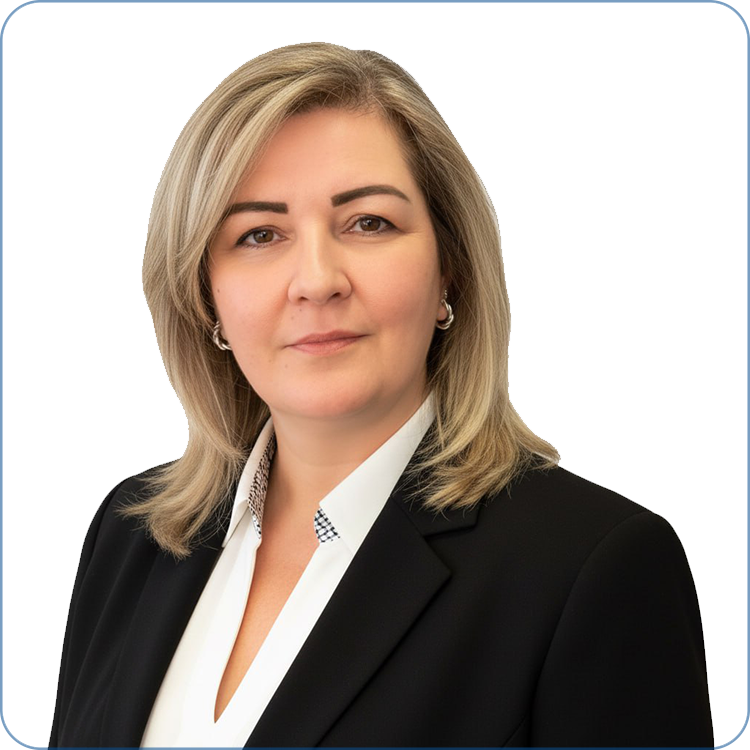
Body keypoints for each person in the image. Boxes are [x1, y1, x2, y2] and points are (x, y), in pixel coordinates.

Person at [48, 41, 713, 748]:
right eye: (259, 234)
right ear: (204, 295)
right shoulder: (132, 533)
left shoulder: (594, 568)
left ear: (449, 269)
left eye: (369, 223)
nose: (317, 280)